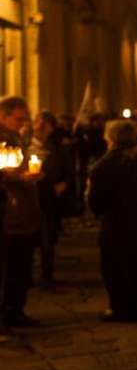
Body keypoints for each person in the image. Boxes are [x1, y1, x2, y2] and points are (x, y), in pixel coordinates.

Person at [87, 120, 137, 322]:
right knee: (135, 264)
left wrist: (97, 209)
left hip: (115, 221)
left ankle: (120, 307)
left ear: (111, 138)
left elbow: (96, 199)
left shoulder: (105, 165)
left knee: (114, 266)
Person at [0, 97, 43, 328]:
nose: (23, 124)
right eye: (18, 119)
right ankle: (7, 311)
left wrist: (34, 173)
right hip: (8, 212)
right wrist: (18, 177)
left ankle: (16, 309)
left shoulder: (17, 137)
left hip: (24, 212)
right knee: (9, 265)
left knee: (21, 266)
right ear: (3, 115)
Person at [30, 112, 71, 288]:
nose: (40, 126)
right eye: (38, 122)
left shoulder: (57, 148)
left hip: (49, 198)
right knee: (29, 238)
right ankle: (26, 274)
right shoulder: (24, 144)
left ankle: (47, 273)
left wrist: (64, 184)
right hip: (31, 197)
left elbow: (66, 170)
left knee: (48, 238)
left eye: (45, 124)